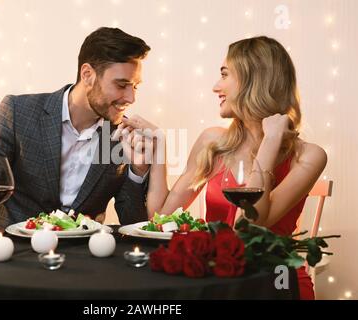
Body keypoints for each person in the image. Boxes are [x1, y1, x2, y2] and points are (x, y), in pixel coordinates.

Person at [123, 36, 327, 300]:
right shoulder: (213, 142)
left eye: (224, 75)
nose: (215, 87)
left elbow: (251, 225)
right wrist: (161, 144)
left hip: (275, 282)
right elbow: (160, 216)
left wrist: (271, 142)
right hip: (218, 280)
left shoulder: (309, 156)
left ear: (254, 79)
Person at [0, 27, 152, 234]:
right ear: (88, 75)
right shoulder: (18, 112)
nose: (131, 98)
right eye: (122, 85)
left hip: (82, 260)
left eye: (135, 86)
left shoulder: (121, 136)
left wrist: (137, 172)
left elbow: (133, 225)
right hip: (14, 255)